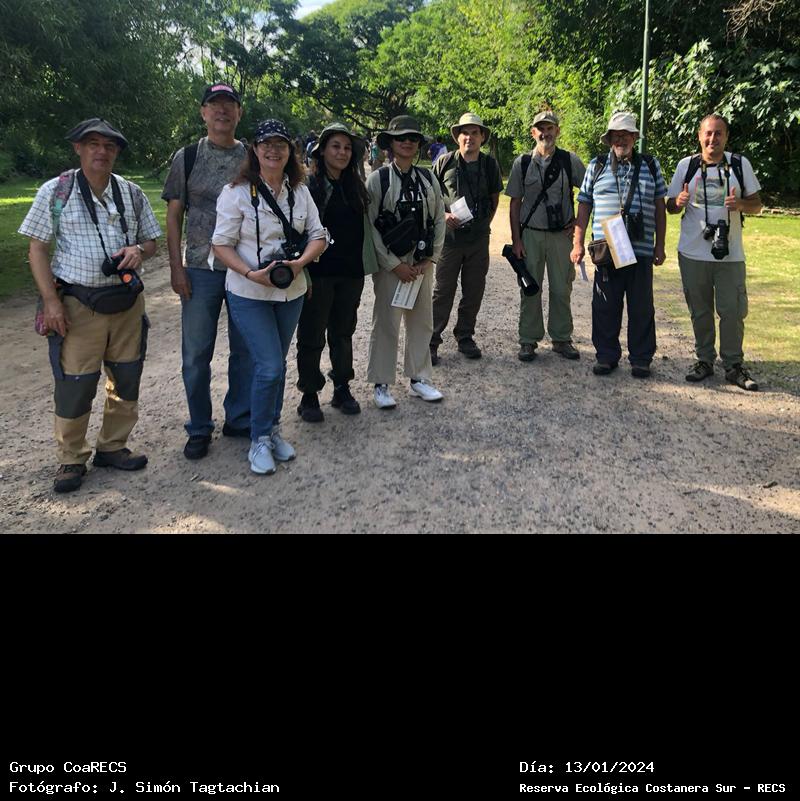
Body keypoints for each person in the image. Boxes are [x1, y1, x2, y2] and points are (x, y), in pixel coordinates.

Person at [18, 118, 161, 493]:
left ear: (116, 152)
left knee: (127, 376)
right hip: (78, 303)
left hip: (127, 303)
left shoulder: (131, 193)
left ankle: (112, 447)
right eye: (93, 144)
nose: (102, 151)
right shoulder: (56, 191)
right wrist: (51, 301)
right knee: (76, 384)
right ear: (78, 148)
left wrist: (138, 250)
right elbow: (37, 249)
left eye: (109, 146)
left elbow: (152, 243)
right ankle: (71, 458)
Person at [211, 119, 328, 475]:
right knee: (269, 365)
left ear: (290, 150)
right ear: (255, 149)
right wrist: (251, 273)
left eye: (280, 144)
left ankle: (273, 429)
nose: (273, 150)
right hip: (249, 291)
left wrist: (299, 264)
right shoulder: (235, 193)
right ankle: (259, 438)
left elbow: (319, 235)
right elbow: (220, 244)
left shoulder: (300, 192)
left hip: (291, 291)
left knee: (277, 362)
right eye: (266, 144)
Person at [162, 82, 252, 461]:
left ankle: (240, 417)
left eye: (229, 104)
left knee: (245, 350)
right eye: (214, 104)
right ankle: (199, 426)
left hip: (243, 268)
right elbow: (173, 216)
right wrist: (176, 268)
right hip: (199, 268)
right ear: (203, 112)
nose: (222, 111)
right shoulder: (186, 157)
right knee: (196, 354)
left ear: (238, 113)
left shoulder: (252, 157)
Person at [666, 113, 762, 391]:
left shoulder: (740, 165)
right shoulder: (686, 166)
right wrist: (678, 201)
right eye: (708, 133)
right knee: (700, 311)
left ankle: (733, 365)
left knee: (732, 311)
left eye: (718, 133)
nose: (712, 138)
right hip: (693, 252)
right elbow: (670, 206)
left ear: (726, 137)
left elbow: (757, 205)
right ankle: (704, 360)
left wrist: (740, 204)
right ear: (699, 136)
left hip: (730, 253)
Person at [571, 110, 667, 378]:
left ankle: (641, 359)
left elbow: (660, 206)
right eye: (616, 135)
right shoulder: (597, 165)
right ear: (609, 138)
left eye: (625, 134)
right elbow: (584, 205)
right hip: (606, 249)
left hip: (641, 249)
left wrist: (660, 245)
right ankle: (606, 356)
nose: (620, 139)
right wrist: (578, 243)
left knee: (642, 306)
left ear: (635, 137)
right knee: (605, 306)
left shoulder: (650, 165)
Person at [296, 122, 378, 422]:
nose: (342, 152)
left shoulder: (356, 186)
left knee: (343, 333)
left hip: (350, 272)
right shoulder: (307, 187)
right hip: (318, 273)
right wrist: (303, 272)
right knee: (312, 334)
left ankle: (342, 387)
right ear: (322, 152)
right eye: (335, 146)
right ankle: (309, 393)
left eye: (346, 148)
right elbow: (298, 232)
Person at [366, 115, 446, 408]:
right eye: (401, 138)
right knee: (387, 322)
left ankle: (419, 378)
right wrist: (393, 265)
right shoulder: (378, 180)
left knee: (422, 321)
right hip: (392, 265)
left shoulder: (428, 178)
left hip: (421, 263)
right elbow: (371, 227)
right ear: (390, 143)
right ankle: (381, 383)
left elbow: (439, 218)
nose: (408, 142)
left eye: (413, 138)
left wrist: (430, 258)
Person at [506, 110, 586, 362]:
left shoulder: (569, 161)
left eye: (550, 128)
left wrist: (577, 222)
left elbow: (589, 193)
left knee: (562, 288)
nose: (545, 133)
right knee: (530, 287)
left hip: (561, 236)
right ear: (533, 133)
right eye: (540, 128)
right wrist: (516, 240)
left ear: (557, 131)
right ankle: (528, 340)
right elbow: (515, 203)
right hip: (530, 234)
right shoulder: (522, 163)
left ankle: (561, 338)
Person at [430, 112, 503, 363]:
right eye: (464, 133)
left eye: (474, 133)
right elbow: (431, 196)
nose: (469, 137)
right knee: (442, 291)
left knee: (474, 291)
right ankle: (431, 340)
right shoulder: (444, 162)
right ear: (457, 137)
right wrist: (443, 216)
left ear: (482, 137)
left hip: (478, 240)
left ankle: (465, 336)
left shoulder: (490, 165)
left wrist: (483, 225)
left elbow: (495, 199)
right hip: (449, 241)